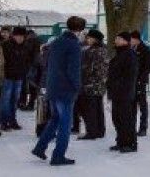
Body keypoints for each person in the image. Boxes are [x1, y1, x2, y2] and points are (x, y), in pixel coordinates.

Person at [32, 16, 86, 166]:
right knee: (65, 124)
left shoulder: (55, 42)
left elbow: (47, 64)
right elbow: (73, 70)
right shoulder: (74, 46)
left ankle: (40, 147)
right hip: (66, 89)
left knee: (55, 119)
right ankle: (58, 156)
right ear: (80, 30)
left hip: (53, 87)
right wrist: (77, 87)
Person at [108, 31, 139, 153]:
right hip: (117, 93)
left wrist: (120, 87)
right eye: (116, 38)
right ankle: (120, 141)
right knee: (117, 118)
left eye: (119, 38)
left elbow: (129, 76)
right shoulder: (119, 54)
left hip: (125, 93)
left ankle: (130, 143)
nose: (116, 40)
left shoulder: (130, 55)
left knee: (126, 119)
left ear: (126, 41)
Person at [77, 29, 107, 140]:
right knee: (99, 109)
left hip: (90, 84)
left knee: (90, 110)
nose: (87, 40)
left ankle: (91, 132)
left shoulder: (92, 51)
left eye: (89, 38)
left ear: (94, 39)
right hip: (100, 85)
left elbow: (89, 69)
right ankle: (100, 130)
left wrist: (83, 76)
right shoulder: (103, 49)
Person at [0, 26, 28, 131]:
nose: (20, 38)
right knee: (5, 100)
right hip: (7, 76)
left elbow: (26, 60)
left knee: (14, 100)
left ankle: (12, 120)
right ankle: (3, 122)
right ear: (14, 36)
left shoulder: (25, 46)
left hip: (19, 77)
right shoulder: (5, 45)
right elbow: (2, 62)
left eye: (22, 36)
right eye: (18, 36)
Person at [130, 30, 150, 137]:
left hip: (140, 82)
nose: (130, 41)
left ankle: (143, 127)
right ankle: (132, 127)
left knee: (142, 105)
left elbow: (148, 67)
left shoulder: (145, 50)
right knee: (132, 105)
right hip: (131, 81)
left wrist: (141, 78)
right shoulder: (130, 50)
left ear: (136, 39)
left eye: (131, 39)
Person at [19, 29, 40, 111]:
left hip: (27, 65)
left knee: (24, 85)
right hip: (35, 65)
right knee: (33, 86)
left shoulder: (29, 40)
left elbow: (26, 53)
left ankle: (23, 102)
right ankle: (31, 103)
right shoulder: (37, 39)